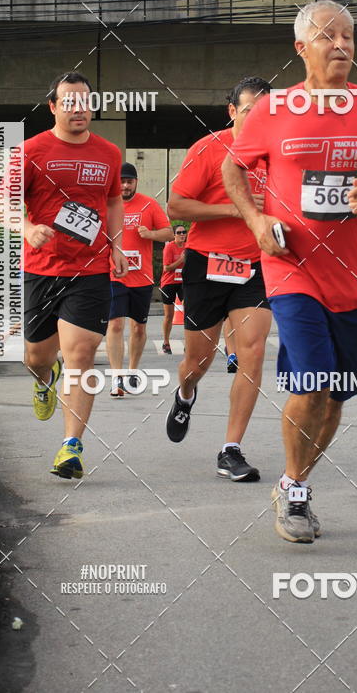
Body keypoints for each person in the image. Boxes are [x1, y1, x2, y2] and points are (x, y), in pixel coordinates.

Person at [223, 0, 357, 542]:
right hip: (292, 269)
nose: (343, 46)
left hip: (355, 277)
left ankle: (292, 482)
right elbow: (232, 166)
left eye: (349, 36)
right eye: (329, 36)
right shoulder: (274, 108)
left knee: (338, 393)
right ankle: (297, 497)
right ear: (301, 47)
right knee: (312, 379)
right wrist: (257, 220)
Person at [19, 72, 128, 479]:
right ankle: (44, 379)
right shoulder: (30, 151)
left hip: (91, 269)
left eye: (84, 101)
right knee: (36, 358)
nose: (78, 108)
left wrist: (117, 245)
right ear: (53, 107)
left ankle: (71, 447)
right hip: (42, 268)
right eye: (69, 101)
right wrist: (28, 229)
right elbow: (3, 204)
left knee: (81, 355)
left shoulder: (108, 153)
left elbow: (114, 199)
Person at [165, 76, 273, 482]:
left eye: (265, 110)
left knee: (253, 351)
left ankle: (230, 449)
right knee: (197, 362)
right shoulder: (208, 149)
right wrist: (236, 208)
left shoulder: (280, 153)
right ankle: (186, 393)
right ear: (232, 111)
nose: (258, 117)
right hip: (206, 264)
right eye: (249, 110)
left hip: (256, 267)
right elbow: (177, 204)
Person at [107, 162, 173, 396]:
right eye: (122, 181)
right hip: (114, 274)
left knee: (138, 328)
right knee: (115, 324)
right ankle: (116, 378)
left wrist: (151, 234)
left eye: (129, 181)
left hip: (142, 277)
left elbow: (170, 233)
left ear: (136, 182)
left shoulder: (149, 204)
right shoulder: (107, 204)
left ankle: (132, 372)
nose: (125, 185)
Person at [160, 225, 187, 353]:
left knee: (189, 312)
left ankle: (189, 343)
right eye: (179, 232)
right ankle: (166, 342)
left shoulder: (188, 247)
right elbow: (167, 268)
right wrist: (181, 259)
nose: (182, 234)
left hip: (183, 282)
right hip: (169, 282)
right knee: (169, 315)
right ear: (174, 235)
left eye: (184, 232)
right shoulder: (169, 247)